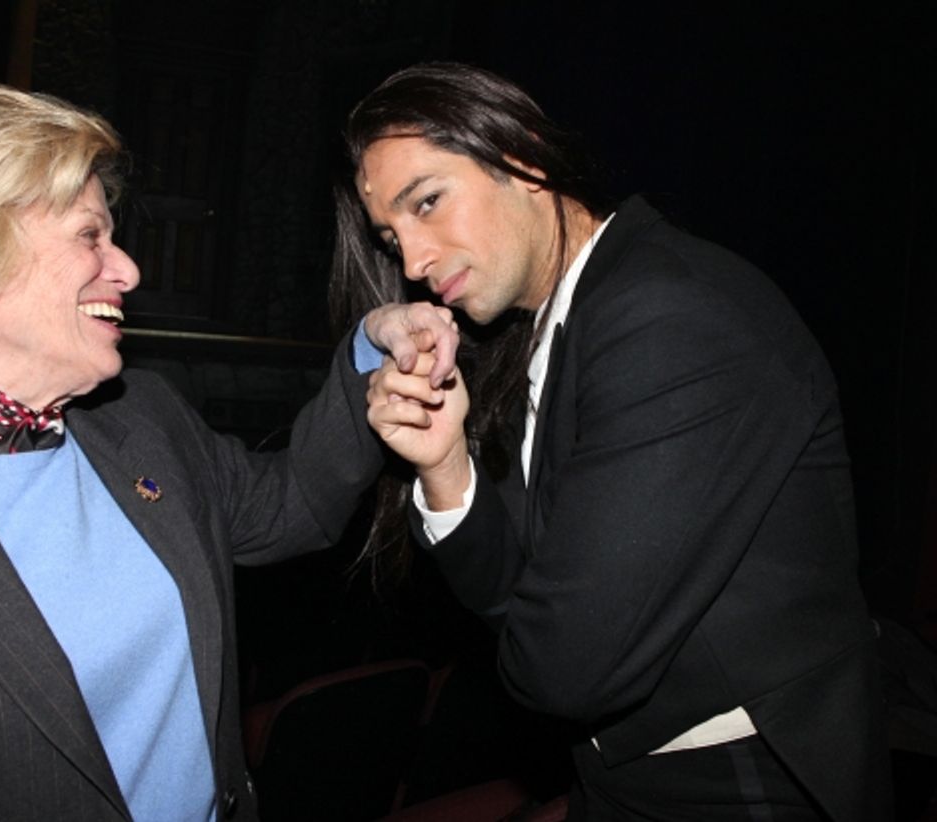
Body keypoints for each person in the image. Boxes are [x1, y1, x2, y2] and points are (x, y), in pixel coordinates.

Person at [0, 84, 455, 822]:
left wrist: (374, 349)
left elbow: (290, 505)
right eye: (91, 236)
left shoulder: (143, 419)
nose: (129, 271)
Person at [333, 62, 890, 820]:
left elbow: (560, 667)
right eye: (393, 237)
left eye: (429, 201)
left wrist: (531, 630)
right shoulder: (554, 327)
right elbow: (525, 598)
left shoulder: (668, 315)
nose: (416, 262)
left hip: (741, 785)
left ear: (523, 158)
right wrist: (446, 465)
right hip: (621, 776)